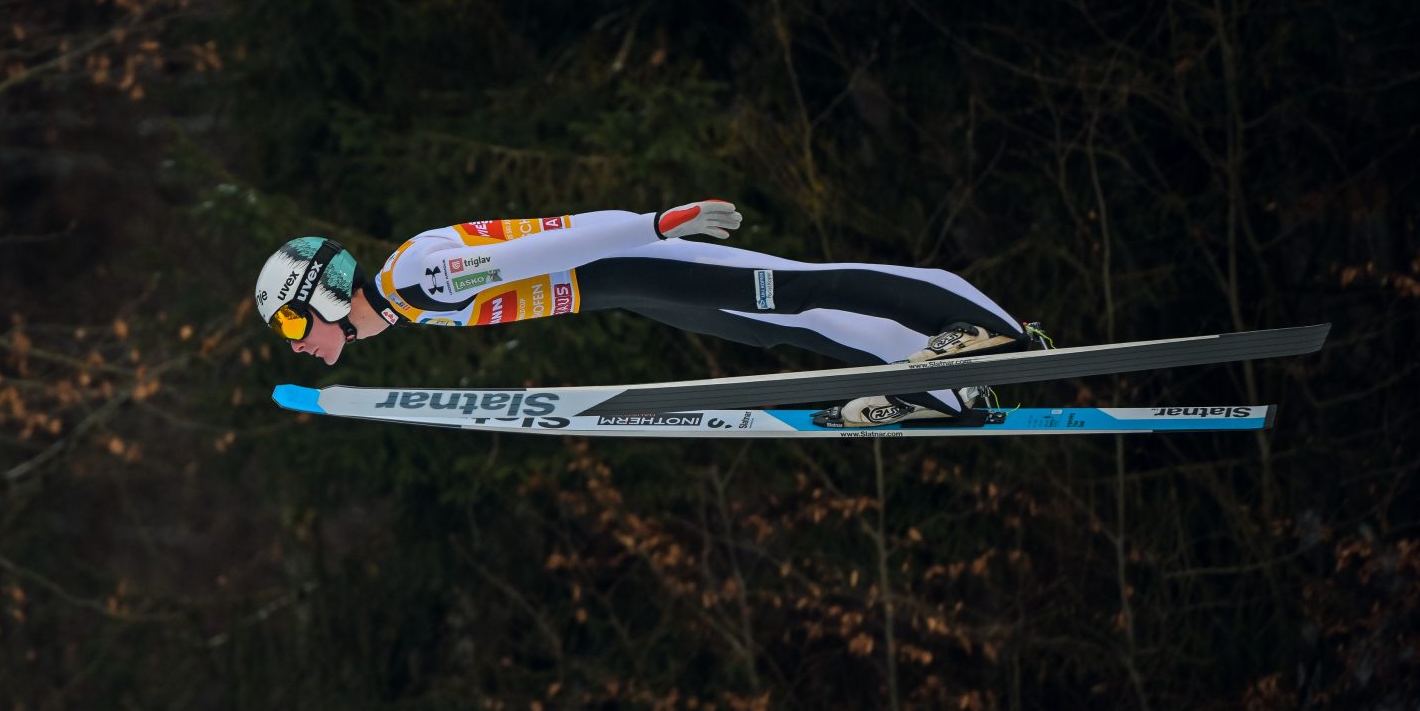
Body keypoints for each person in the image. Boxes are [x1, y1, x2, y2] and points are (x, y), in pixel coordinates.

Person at [253, 202, 1041, 427]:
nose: (295, 344)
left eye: (291, 324)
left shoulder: (417, 278)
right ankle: (943, 386)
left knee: (798, 290)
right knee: (781, 327)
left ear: (325, 293)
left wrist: (653, 227)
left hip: (639, 264)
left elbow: (552, 244)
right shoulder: (409, 302)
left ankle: (989, 329)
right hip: (635, 287)